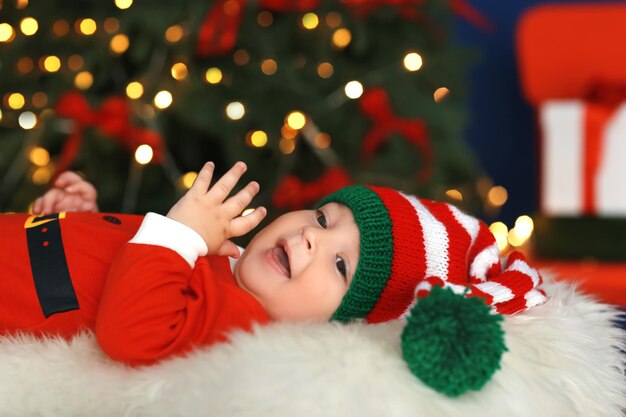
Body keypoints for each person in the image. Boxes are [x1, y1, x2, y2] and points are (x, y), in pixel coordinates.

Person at [1, 161, 546, 370]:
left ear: (339, 328)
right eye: (323, 216)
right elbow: (111, 271)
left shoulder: (242, 319)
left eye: (339, 265)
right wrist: (81, 221)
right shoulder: (229, 257)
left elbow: (131, 329)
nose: (311, 236)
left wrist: (182, 232)